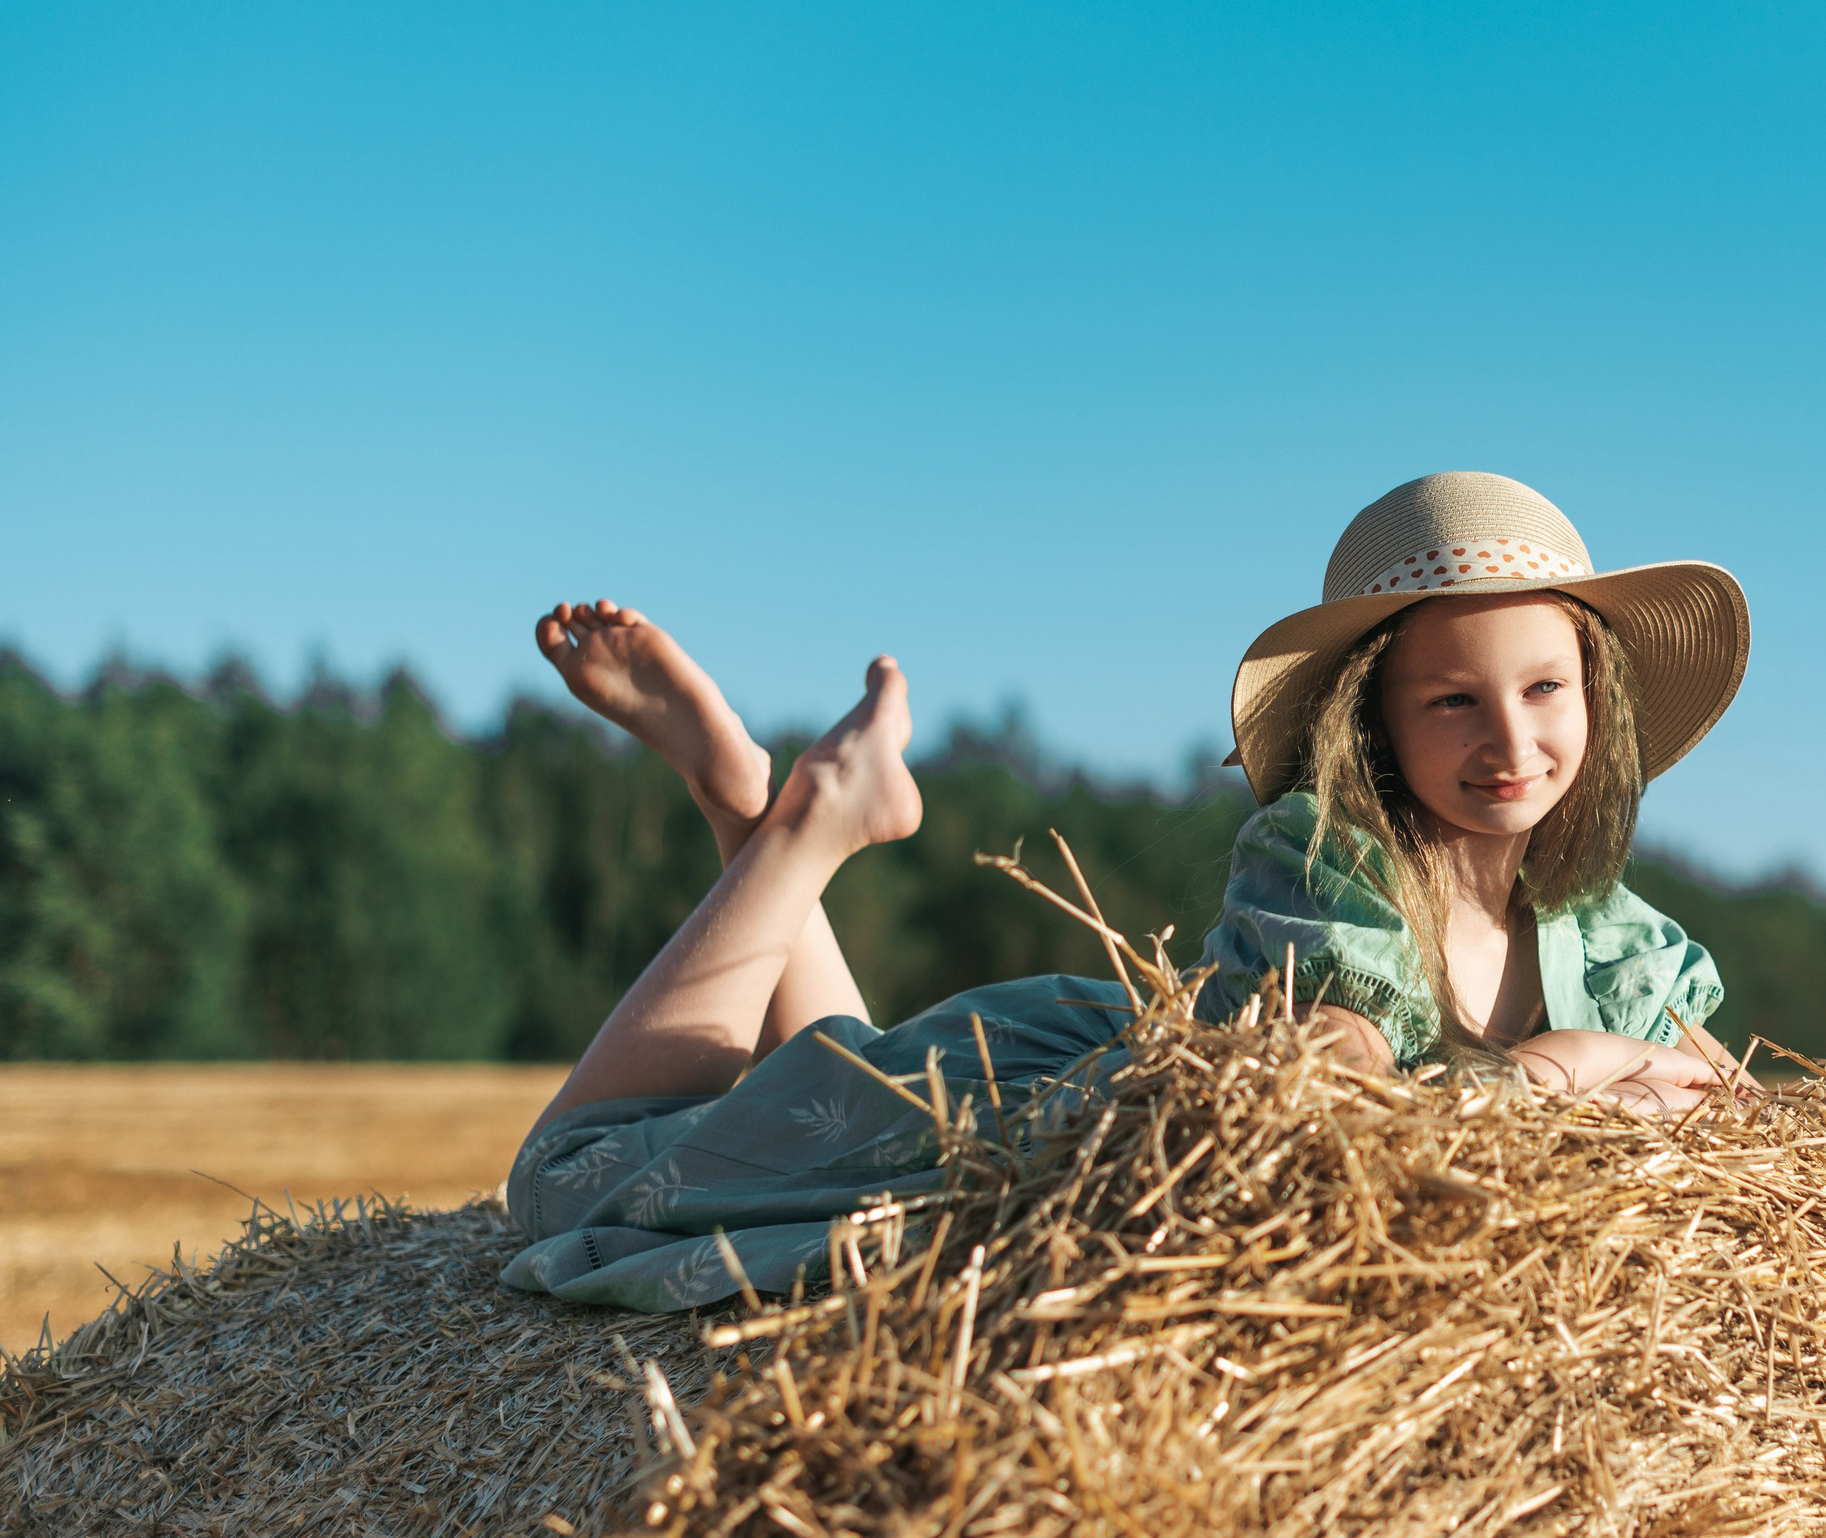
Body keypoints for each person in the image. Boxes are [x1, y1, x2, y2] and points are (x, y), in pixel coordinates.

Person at [501, 472, 1755, 1310]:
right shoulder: (1329, 868)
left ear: (1598, 696)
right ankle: (795, 820)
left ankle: (758, 808)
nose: (1511, 740)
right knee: (569, 1180)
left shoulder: (1618, 940)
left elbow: (1760, 1133)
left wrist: (1654, 1080)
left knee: (843, 1059)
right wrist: (1567, 1069)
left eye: (1545, 688)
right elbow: (1328, 1115)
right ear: (1369, 720)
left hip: (986, 1093)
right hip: (1029, 1116)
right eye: (1451, 699)